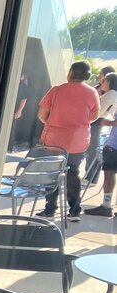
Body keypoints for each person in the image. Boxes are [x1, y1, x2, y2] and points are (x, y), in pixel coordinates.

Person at [36, 61, 100, 220]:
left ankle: (50, 209)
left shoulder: (56, 90)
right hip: (78, 141)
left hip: (54, 141)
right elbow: (93, 116)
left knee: (52, 174)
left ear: (70, 73)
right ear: (86, 75)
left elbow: (41, 115)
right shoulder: (92, 92)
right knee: (73, 172)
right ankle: (74, 210)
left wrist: (56, 122)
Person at [85, 72, 117, 218]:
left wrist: (108, 122)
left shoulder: (112, 94)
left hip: (113, 145)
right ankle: (106, 205)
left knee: (109, 174)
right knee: (109, 174)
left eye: (104, 80)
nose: (101, 82)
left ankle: (106, 206)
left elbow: (101, 115)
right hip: (112, 143)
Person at [8, 74, 28, 152]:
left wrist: (19, 111)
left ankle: (9, 148)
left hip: (14, 110)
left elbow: (24, 99)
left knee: (12, 129)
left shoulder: (23, 86)